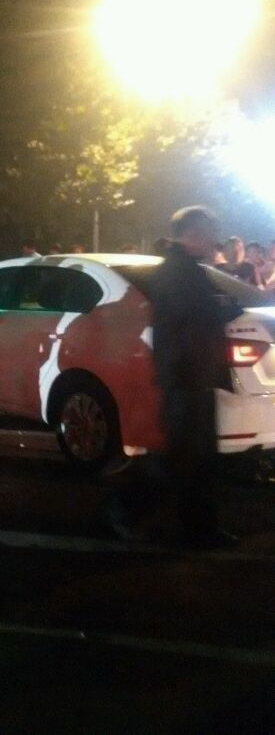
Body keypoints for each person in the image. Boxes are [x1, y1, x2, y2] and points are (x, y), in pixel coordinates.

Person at [110, 206, 238, 549]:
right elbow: (188, 323)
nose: (214, 241)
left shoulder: (187, 270)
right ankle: (126, 508)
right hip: (184, 379)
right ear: (192, 235)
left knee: (198, 461)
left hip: (194, 377)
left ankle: (201, 529)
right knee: (178, 459)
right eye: (209, 234)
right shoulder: (176, 273)